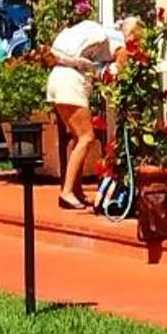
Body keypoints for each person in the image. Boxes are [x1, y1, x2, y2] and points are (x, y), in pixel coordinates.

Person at [44, 15, 125, 210]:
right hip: (70, 82)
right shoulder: (119, 43)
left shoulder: (104, 36)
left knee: (77, 137)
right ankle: (67, 192)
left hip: (58, 78)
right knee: (87, 137)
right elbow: (121, 68)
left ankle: (76, 190)